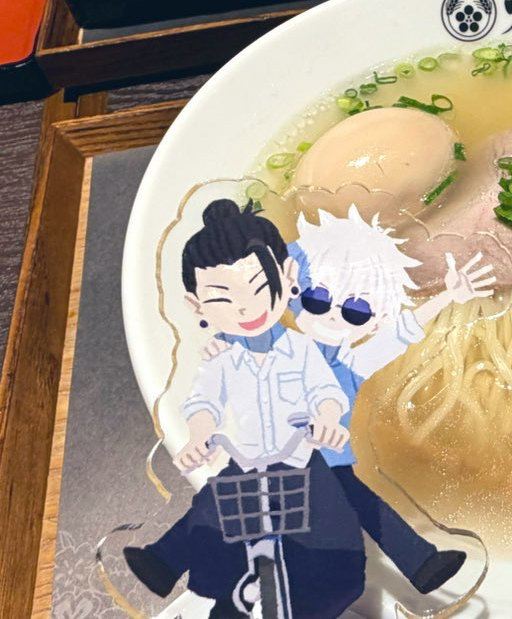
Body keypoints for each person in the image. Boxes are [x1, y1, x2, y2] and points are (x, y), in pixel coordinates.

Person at [209, 206, 494, 596]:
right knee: (336, 509)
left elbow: (401, 333)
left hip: (327, 456)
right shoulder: (281, 345)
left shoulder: (351, 361)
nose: (332, 315)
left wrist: (447, 296)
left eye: (357, 311)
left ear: (376, 319)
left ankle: (418, 563)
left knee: (353, 506)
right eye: (317, 298)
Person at [121, 201, 356, 618]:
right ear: (197, 306)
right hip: (248, 453)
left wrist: (327, 419)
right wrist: (198, 437)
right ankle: (164, 560)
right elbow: (203, 401)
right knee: (216, 497)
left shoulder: (300, 347)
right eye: (222, 297)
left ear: (286, 277)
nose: (246, 308)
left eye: (259, 287)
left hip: (300, 452)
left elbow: (326, 390)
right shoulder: (220, 356)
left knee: (340, 516)